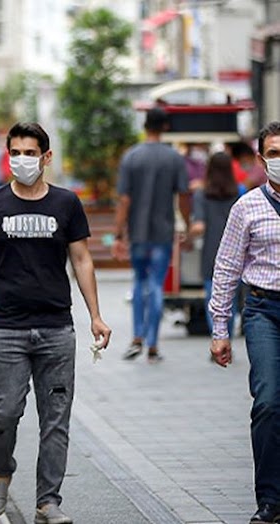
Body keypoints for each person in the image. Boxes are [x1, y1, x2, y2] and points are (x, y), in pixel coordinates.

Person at [0, 122, 111, 524]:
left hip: (56, 329)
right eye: (16, 153)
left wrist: (95, 315)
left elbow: (82, 259)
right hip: (6, 327)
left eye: (31, 153)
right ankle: (1, 472)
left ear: (46, 157)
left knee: (56, 419)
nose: (22, 160)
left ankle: (49, 501)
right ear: (7, 155)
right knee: (4, 413)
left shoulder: (66, 204)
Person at [209, 121, 280, 524]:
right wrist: (220, 331)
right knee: (269, 401)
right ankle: (270, 499)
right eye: (273, 153)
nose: (279, 160)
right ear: (260, 160)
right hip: (263, 310)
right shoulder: (247, 206)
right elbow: (226, 268)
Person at [112, 107, 189, 362]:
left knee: (139, 283)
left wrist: (118, 235)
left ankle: (137, 337)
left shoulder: (131, 157)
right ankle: (153, 344)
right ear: (165, 127)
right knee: (156, 285)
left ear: (145, 126)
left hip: (138, 233)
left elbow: (124, 199)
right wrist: (186, 226)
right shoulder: (174, 158)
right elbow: (183, 196)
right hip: (163, 232)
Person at [187, 151, 243, 339]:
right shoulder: (241, 192)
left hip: (211, 252)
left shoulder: (202, 194)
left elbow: (199, 226)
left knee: (213, 298)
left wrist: (186, 237)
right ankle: (228, 337)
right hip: (237, 253)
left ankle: (218, 337)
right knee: (232, 299)